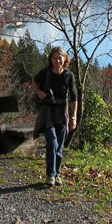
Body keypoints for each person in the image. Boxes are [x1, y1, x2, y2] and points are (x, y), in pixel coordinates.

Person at [31, 46, 79, 187]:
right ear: (50, 59)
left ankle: (57, 174)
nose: (57, 60)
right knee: (52, 143)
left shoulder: (69, 75)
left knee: (59, 146)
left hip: (62, 113)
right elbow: (34, 81)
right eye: (55, 58)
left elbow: (74, 97)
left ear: (65, 59)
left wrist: (73, 117)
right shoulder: (45, 73)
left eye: (60, 58)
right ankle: (50, 175)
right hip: (48, 112)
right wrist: (39, 92)